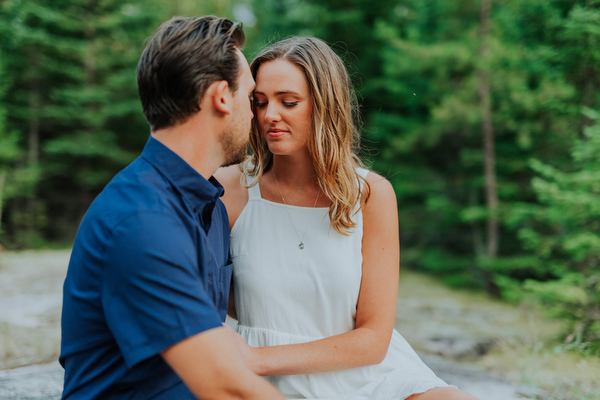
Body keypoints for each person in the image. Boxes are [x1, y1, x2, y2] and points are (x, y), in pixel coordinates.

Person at [215, 37, 480, 400]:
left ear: (324, 106)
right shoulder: (230, 188)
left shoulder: (371, 194)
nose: (269, 115)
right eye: (259, 103)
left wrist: (256, 358)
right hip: (269, 380)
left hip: (363, 375)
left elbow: (373, 340)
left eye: (288, 102)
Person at [59, 16, 284, 400]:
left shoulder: (208, 205)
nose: (258, 117)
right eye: (251, 98)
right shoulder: (140, 220)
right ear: (221, 97)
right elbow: (224, 384)